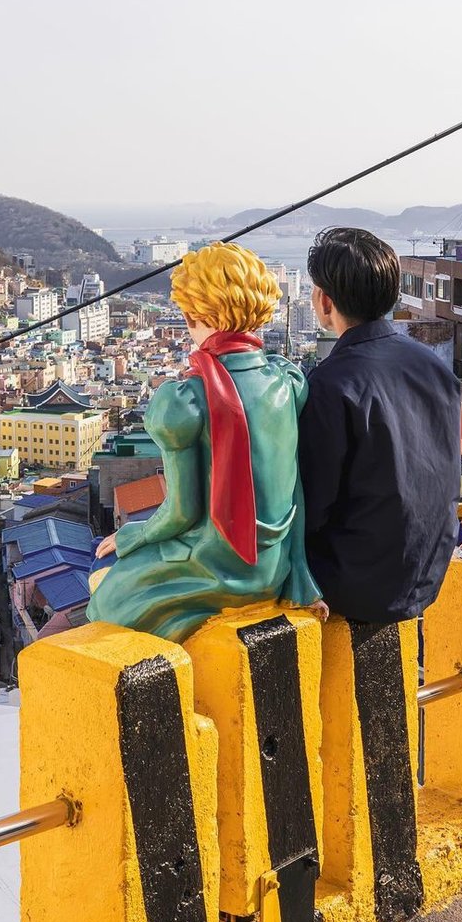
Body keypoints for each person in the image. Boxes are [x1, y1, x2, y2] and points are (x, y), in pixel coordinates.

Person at [88, 242, 322, 643]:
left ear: (197, 313)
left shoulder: (186, 400)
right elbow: (292, 487)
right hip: (275, 567)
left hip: (216, 569)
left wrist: (130, 536)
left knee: (108, 599)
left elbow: (182, 511)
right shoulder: (286, 381)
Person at [298, 227, 461, 625]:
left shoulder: (331, 384)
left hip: (356, 587)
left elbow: (311, 506)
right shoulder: (434, 367)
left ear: (324, 300)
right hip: (428, 575)